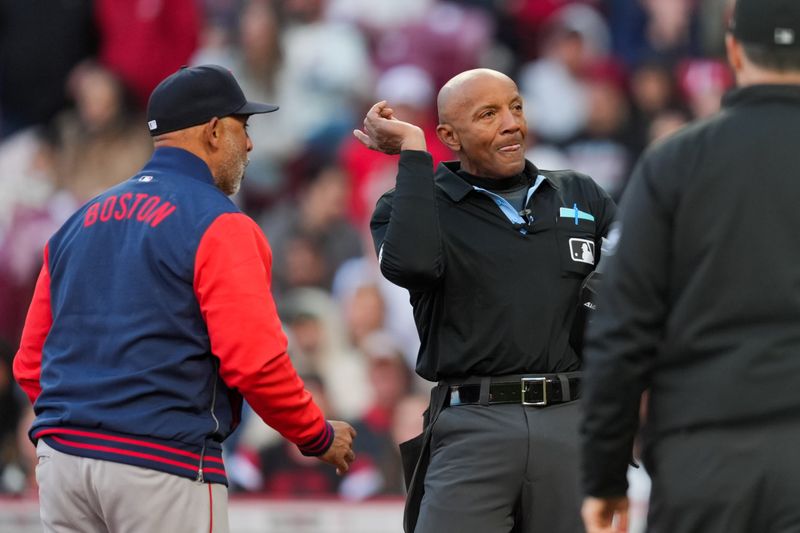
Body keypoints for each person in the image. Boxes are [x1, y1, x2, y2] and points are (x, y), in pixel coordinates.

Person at [12, 64, 356, 533]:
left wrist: (86, 424)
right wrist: (316, 435)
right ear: (214, 131)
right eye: (244, 126)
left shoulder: (76, 222)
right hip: (161, 464)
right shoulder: (221, 224)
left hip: (64, 464)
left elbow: (31, 362)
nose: (250, 144)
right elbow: (255, 363)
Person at [354, 68, 616, 533]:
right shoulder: (410, 203)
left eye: (516, 107)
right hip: (474, 423)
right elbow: (408, 265)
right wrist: (414, 152)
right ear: (449, 136)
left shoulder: (581, 193)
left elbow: (641, 257)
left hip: (571, 419)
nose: (511, 123)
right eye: (488, 114)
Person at [580, 1, 800, 532]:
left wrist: (605, 475)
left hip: (704, 453)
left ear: (732, 50)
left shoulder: (675, 161)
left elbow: (621, 328)